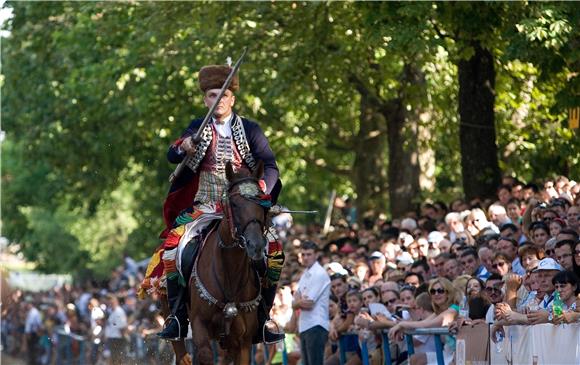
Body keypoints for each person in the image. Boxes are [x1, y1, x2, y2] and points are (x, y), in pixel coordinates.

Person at [142, 64, 284, 342]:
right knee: (173, 248)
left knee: (274, 251)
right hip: (205, 204)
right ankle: (178, 318)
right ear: (205, 99)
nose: (217, 100)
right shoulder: (197, 126)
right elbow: (173, 153)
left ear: (232, 99)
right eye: (211, 95)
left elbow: (270, 164)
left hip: (243, 205)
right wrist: (183, 146)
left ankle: (262, 319)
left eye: (223, 95)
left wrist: (263, 187)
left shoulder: (251, 130)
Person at [293, 241, 331, 365]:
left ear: (316, 255)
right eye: (303, 254)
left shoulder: (319, 273)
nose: (305, 257)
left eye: (309, 254)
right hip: (305, 325)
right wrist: (298, 302)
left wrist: (296, 302)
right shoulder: (306, 274)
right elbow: (296, 299)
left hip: (316, 325)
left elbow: (308, 304)